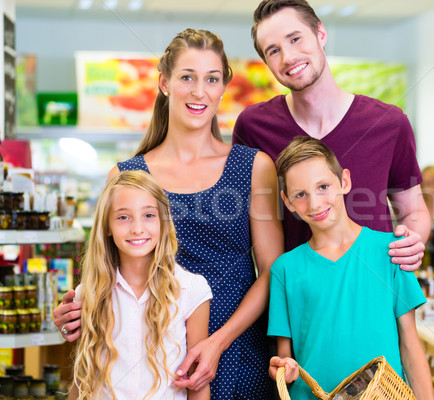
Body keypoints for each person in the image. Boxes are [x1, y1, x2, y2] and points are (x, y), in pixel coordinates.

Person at [55, 29, 284, 399]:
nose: (199, 91)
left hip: (238, 347)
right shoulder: (127, 175)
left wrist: (218, 343)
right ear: (164, 83)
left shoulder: (253, 167)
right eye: (187, 77)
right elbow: (106, 271)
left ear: (223, 86)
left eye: (211, 79)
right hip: (157, 355)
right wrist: (73, 311)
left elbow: (274, 270)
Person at [233, 0, 430, 270]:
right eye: (274, 51)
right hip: (296, 297)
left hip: (374, 291)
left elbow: (413, 210)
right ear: (266, 62)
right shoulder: (253, 126)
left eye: (295, 39)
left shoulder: (389, 123)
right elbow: (244, 218)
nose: (288, 57)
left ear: (320, 33)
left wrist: (412, 241)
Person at [267, 137, 434, 400]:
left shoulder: (392, 251)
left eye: (323, 186)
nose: (314, 204)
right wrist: (283, 369)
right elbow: (285, 357)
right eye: (301, 194)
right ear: (287, 202)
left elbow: (410, 345)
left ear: (344, 182)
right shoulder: (284, 270)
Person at [68, 170, 212, 400]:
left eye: (148, 215)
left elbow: (198, 383)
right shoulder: (89, 294)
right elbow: (82, 377)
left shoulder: (191, 290)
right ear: (107, 226)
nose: (137, 228)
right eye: (123, 217)